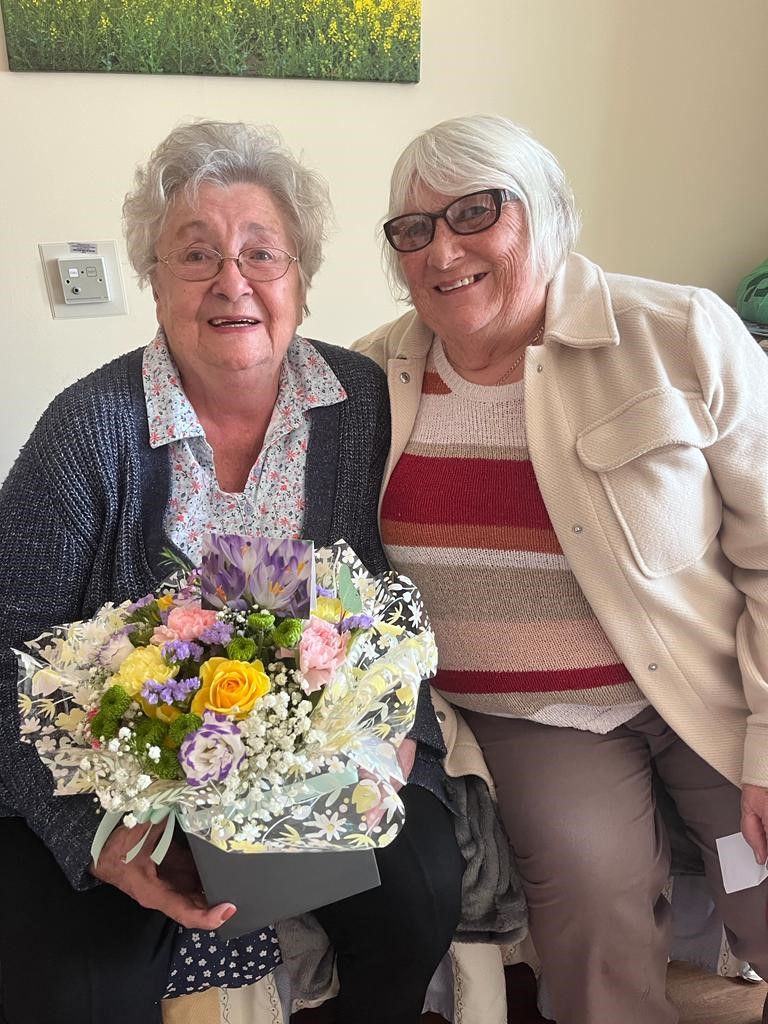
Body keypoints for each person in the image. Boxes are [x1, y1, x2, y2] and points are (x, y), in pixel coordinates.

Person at [0, 120, 463, 1024]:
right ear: (154, 280)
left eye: (262, 253)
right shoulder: (85, 432)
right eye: (195, 255)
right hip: (119, 768)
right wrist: (95, 835)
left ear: (301, 278)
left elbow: (389, 599)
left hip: (324, 755)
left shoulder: (361, 403)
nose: (232, 282)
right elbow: (5, 649)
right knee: (78, 989)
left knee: (421, 900)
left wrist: (394, 727)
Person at [354, 112, 768, 1024]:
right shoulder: (371, 375)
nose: (442, 249)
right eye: (412, 230)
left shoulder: (679, 333)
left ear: (546, 216)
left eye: (475, 214)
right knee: (592, 912)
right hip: (535, 720)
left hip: (713, 690)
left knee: (764, 879)